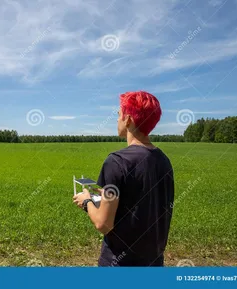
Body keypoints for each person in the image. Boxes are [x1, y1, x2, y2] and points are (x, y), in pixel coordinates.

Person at [73, 91, 174, 266]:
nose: (117, 120)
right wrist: (108, 195)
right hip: (154, 262)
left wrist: (86, 201)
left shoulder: (117, 161)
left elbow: (103, 225)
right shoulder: (164, 160)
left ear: (128, 120)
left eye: (119, 115)